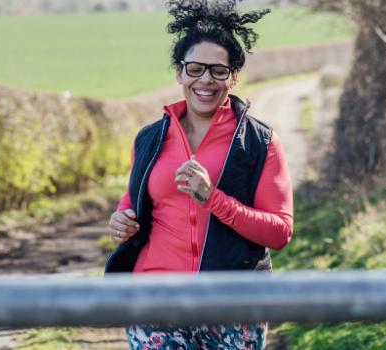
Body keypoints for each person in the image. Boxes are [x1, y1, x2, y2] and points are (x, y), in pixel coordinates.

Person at [104, 0, 292, 348]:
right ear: (179, 73)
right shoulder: (149, 139)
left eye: (218, 70)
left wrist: (214, 199)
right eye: (194, 68)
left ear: (234, 76)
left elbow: (280, 232)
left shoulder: (259, 142)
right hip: (155, 298)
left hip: (233, 303)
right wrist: (120, 222)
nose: (205, 79)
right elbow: (131, 206)